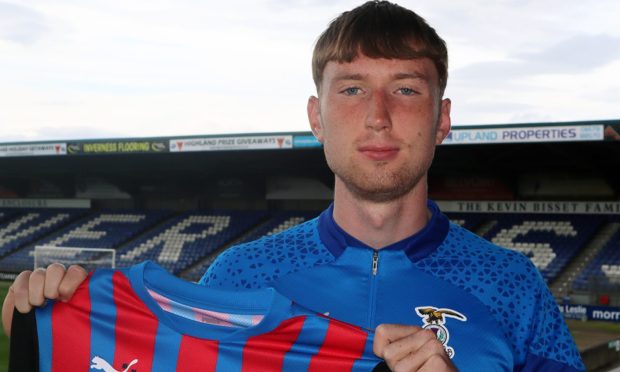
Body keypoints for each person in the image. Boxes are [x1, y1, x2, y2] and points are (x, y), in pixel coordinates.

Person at [3, 1, 584, 371]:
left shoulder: (515, 288)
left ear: (442, 118)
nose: (378, 116)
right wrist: (50, 327)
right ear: (315, 117)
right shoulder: (238, 275)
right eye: (352, 89)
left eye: (406, 89)